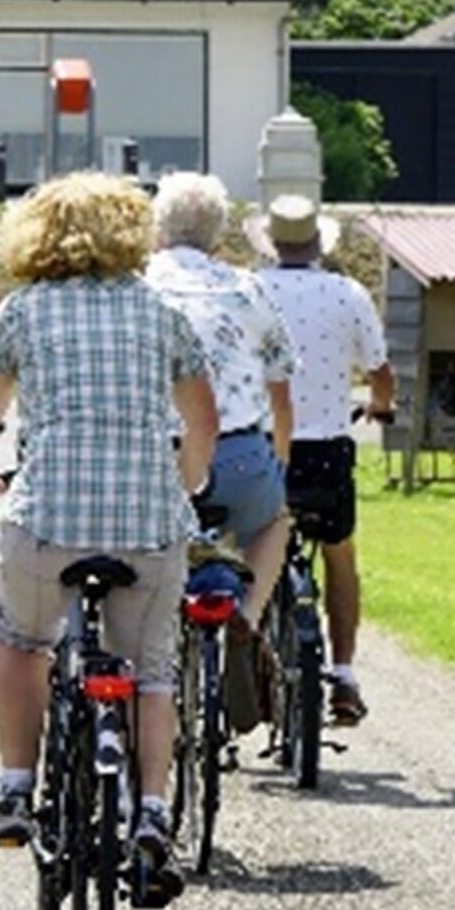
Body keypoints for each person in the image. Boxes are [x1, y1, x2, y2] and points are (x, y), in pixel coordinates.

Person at [0, 172, 219, 904]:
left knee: (21, 640)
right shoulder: (161, 311)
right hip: (146, 524)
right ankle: (153, 814)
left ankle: (14, 787)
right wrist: (185, 486)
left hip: (48, 520)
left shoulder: (22, 312)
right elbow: (201, 425)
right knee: (151, 671)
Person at [144, 172, 296, 735]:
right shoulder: (248, 289)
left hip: (158, 460)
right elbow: (282, 397)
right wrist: (276, 466)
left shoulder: (139, 288)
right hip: (238, 456)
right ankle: (247, 621)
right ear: (220, 233)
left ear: (157, 228)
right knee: (274, 521)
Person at [255, 194, 396, 726]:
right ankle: (343, 672)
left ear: (270, 243)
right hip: (326, 452)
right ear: (317, 244)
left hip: (263, 445)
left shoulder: (250, 290)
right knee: (339, 556)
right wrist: (381, 408)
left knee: (242, 551)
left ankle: (237, 666)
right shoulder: (346, 293)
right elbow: (379, 372)